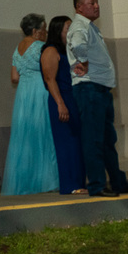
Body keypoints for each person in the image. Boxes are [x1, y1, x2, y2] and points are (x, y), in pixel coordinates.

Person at [69, 0, 128, 197]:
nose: (97, 5)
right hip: (89, 89)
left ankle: (118, 182)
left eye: (97, 2)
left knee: (108, 139)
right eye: (91, 2)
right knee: (93, 140)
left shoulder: (90, 27)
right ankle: (97, 185)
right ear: (79, 7)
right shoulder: (79, 26)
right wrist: (83, 61)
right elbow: (77, 45)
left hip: (99, 89)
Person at [3, 14, 59, 195]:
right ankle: (47, 181)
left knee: (24, 139)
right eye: (44, 29)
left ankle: (24, 183)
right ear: (36, 31)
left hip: (23, 96)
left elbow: (14, 77)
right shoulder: (42, 47)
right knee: (44, 135)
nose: (46, 33)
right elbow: (51, 71)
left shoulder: (17, 48)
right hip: (40, 92)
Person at [39, 15, 86, 194]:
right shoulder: (50, 51)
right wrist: (60, 103)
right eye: (68, 29)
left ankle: (80, 182)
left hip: (74, 99)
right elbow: (50, 79)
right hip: (61, 99)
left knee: (78, 142)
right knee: (67, 144)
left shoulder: (69, 50)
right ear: (58, 31)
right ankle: (70, 185)